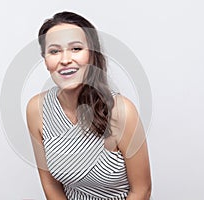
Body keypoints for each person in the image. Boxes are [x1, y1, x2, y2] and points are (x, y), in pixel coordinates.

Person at [26, 11, 151, 200]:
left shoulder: (121, 112)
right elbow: (51, 184)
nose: (65, 59)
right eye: (54, 51)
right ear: (45, 60)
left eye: (76, 48)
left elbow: (142, 190)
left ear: (92, 55)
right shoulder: (37, 109)